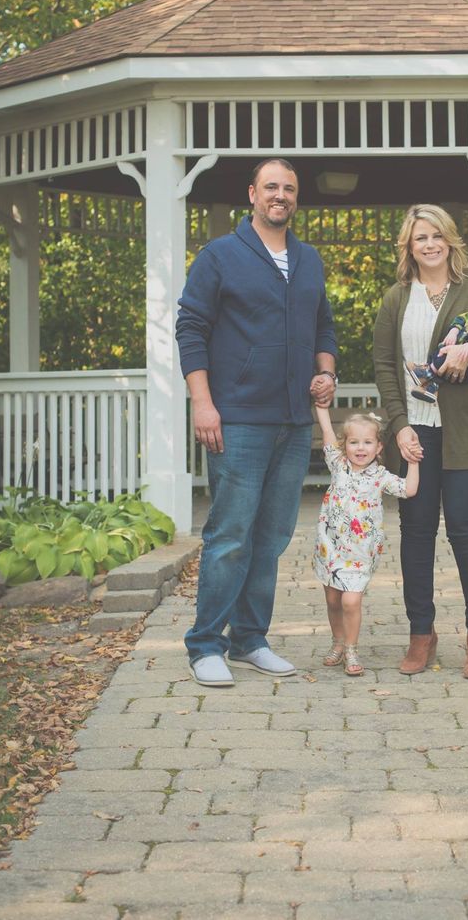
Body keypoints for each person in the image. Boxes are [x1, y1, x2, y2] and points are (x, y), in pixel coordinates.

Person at [176, 158, 338, 688]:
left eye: (289, 188)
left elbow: (323, 327)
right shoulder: (220, 255)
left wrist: (326, 374)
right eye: (271, 186)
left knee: (270, 537)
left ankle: (249, 639)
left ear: (296, 198)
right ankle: (205, 644)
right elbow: (191, 328)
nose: (280, 195)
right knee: (230, 536)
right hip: (237, 418)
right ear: (252, 194)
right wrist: (203, 402)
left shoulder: (308, 259)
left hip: (293, 422)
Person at [373, 204, 468, 679]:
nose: (430, 244)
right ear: (409, 246)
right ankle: (422, 635)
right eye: (420, 237)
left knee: (465, 530)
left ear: (450, 239)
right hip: (414, 432)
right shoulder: (396, 297)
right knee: (416, 534)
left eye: (437, 235)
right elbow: (384, 366)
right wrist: (398, 425)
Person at [312, 406, 419, 676]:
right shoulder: (338, 465)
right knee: (333, 599)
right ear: (344, 445)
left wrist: (414, 462)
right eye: (354, 442)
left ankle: (351, 648)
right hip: (331, 547)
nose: (361, 448)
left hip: (360, 552)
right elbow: (326, 432)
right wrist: (321, 408)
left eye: (368, 442)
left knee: (350, 601)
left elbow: (409, 489)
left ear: (378, 446)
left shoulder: (380, 476)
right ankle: (337, 641)